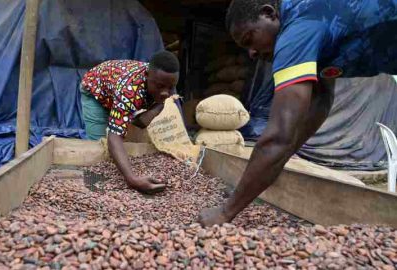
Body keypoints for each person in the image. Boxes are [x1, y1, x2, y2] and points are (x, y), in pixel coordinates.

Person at [199, 0, 397, 226]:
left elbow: (277, 138)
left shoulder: (296, 30)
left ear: (269, 14)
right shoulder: (312, 23)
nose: (251, 53)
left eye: (249, 40)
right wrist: (274, 164)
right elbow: (320, 101)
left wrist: (225, 212)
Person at [80, 51, 180, 194]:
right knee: (99, 145)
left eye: (170, 87)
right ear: (146, 76)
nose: (165, 93)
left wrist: (158, 107)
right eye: (160, 86)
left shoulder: (163, 80)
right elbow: (114, 136)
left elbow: (140, 122)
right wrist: (132, 179)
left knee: (125, 122)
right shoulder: (129, 90)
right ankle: (93, 188)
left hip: (116, 89)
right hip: (95, 89)